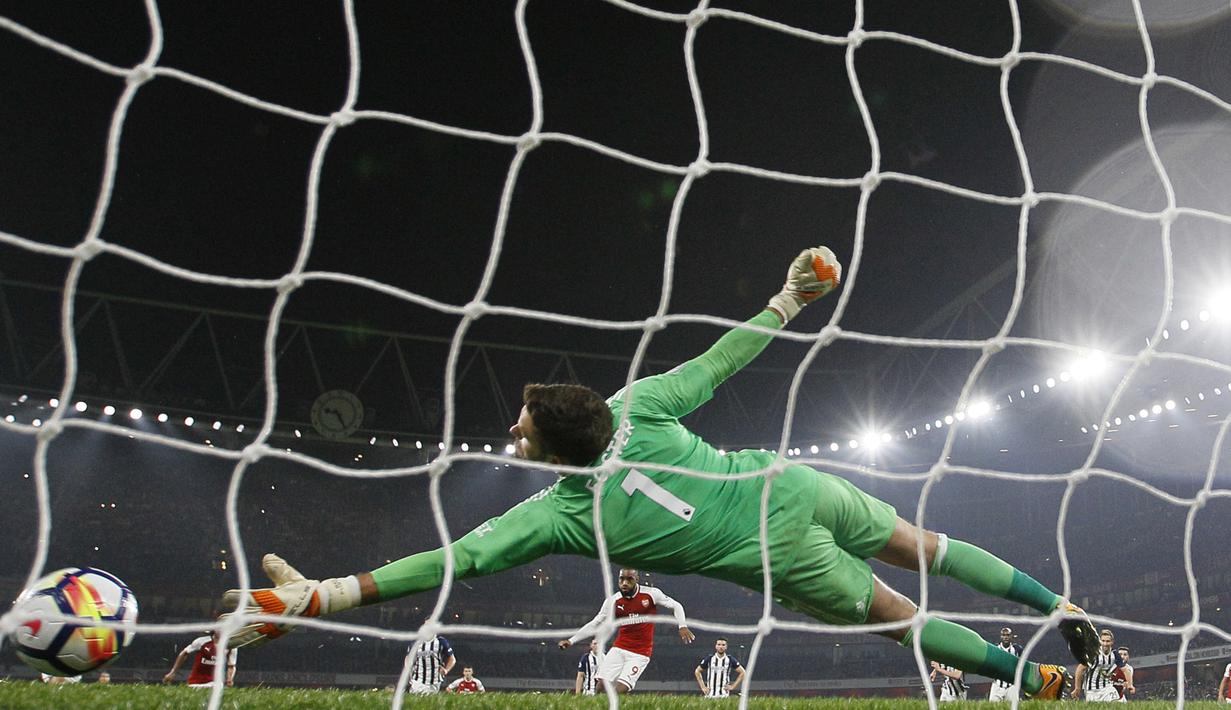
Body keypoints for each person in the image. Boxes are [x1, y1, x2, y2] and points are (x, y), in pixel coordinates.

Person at [221, 246, 1098, 700]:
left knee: (902, 622)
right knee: (927, 546)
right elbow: (723, 358)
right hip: (786, 482)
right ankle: (1059, 607)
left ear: (553, 451)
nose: (512, 430)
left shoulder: (561, 513)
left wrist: (327, 594)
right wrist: (791, 297)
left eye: (521, 426)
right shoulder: (637, 404)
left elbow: (444, 564)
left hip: (778, 551)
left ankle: (1032, 681)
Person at [556, 568, 692, 694]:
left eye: (629, 579)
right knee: (601, 686)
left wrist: (682, 626)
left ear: (636, 579)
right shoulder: (613, 601)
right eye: (621, 579)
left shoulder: (651, 594)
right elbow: (595, 623)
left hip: (640, 653)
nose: (624, 583)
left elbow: (676, 606)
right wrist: (571, 640)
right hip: (619, 648)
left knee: (619, 690)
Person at [162, 630, 237, 687]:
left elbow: (232, 665)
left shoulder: (232, 646)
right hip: (195, 683)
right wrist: (173, 672)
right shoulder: (201, 641)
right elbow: (184, 653)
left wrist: (230, 679)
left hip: (215, 684)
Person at [1072, 629, 1124, 701]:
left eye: (1107, 641)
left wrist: (1130, 684)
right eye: (1103, 641)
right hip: (1092, 691)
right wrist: (1077, 688)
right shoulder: (1093, 654)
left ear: (1112, 642)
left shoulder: (1114, 655)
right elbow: (1080, 669)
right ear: (1100, 641)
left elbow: (1125, 669)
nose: (1105, 643)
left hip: (1107, 688)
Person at [988, 626, 1023, 702]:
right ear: (1001, 636)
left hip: (1011, 685)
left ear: (1011, 636)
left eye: (1008, 635)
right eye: (1004, 635)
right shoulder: (995, 648)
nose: (1006, 637)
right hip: (997, 684)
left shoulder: (1017, 649)